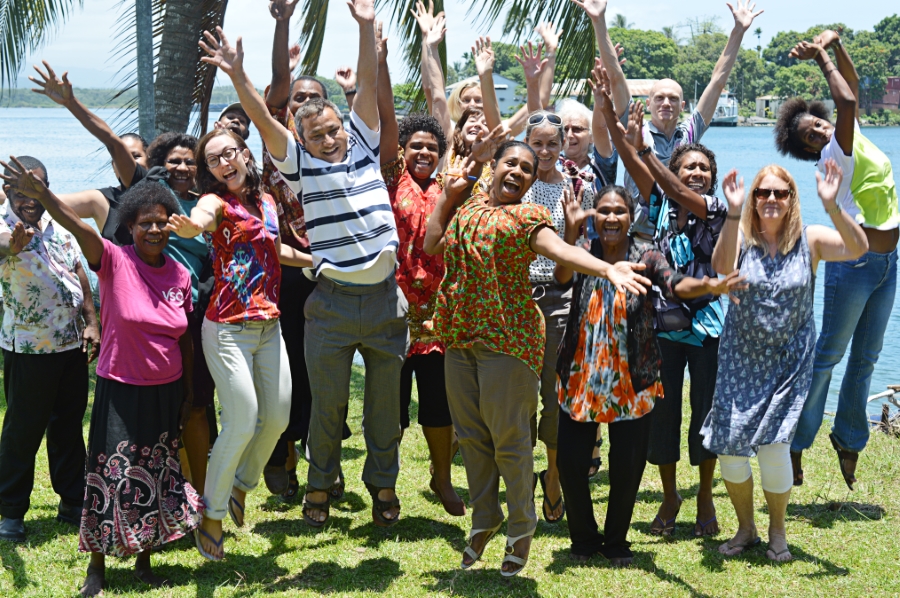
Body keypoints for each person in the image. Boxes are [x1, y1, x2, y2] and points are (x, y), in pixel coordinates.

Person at [199, 0, 408, 530]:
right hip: (334, 302)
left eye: (333, 129)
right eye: (317, 135)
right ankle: (319, 487)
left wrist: (364, 26)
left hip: (386, 299)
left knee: (384, 406)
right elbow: (267, 118)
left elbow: (365, 82)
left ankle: (383, 484)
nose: (329, 138)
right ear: (304, 141)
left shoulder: (362, 141)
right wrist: (237, 74)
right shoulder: (299, 166)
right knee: (326, 407)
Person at [424, 140, 651, 577]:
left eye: (526, 170)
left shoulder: (528, 216)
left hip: (507, 340)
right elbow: (433, 242)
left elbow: (559, 251)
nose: (517, 172)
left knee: (509, 439)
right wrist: (451, 194)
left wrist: (605, 268)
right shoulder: (467, 204)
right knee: (471, 437)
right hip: (459, 336)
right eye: (511, 163)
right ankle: (485, 518)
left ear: (531, 181)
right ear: (494, 166)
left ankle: (521, 525)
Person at [0, 159, 205, 595]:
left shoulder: (180, 274)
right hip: (121, 389)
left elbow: (185, 339)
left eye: (162, 223)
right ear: (129, 227)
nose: (154, 230)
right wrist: (42, 195)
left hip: (166, 391)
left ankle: (144, 559)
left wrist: (188, 394)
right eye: (144, 223)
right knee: (112, 477)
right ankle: (97, 567)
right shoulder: (112, 259)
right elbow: (78, 227)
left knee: (158, 471)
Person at [554, 169, 742, 566]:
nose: (610, 218)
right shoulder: (582, 249)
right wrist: (570, 233)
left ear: (630, 216)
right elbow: (562, 275)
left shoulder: (647, 256)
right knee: (571, 463)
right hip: (580, 374)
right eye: (603, 211)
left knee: (627, 466)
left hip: (631, 379)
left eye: (619, 211)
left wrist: (709, 285)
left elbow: (677, 286)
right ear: (594, 215)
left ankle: (616, 542)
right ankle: (584, 540)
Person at [703, 160, 868, 562]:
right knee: (730, 448)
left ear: (792, 198)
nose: (771, 199)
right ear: (754, 199)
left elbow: (859, 247)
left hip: (788, 362)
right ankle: (746, 529)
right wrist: (732, 211)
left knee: (775, 448)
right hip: (740, 357)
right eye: (763, 193)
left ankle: (777, 532)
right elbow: (720, 270)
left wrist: (831, 204)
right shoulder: (740, 237)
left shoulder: (810, 239)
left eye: (780, 192)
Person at [166, 129, 311, 560]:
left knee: (278, 417)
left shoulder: (265, 200)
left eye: (229, 153)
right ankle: (211, 514)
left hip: (269, 325)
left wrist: (317, 262)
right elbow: (203, 218)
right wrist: (194, 225)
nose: (224, 163)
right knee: (243, 419)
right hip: (226, 327)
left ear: (244, 154)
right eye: (213, 160)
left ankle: (241, 487)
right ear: (207, 170)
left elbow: (274, 248)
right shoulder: (216, 203)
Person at [601, 89, 728, 537]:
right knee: (664, 415)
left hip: (708, 327)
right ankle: (671, 494)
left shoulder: (718, 211)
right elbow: (639, 170)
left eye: (703, 168)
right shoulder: (659, 206)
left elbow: (663, 180)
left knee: (706, 415)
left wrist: (647, 152)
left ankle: (706, 495)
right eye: (688, 166)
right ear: (675, 172)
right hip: (662, 327)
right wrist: (616, 125)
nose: (696, 173)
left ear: (711, 179)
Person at [777, 32, 899, 491]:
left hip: (887, 265)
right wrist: (822, 56)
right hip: (854, 265)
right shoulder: (835, 154)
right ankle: (795, 442)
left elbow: (849, 90)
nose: (821, 130)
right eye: (811, 133)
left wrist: (839, 44)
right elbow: (845, 102)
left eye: (819, 124)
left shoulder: (851, 135)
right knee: (828, 354)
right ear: (810, 148)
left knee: (866, 358)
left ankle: (848, 440)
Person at [260, 0, 351, 500]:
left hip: (336, 270)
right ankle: (282, 455)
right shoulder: (280, 152)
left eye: (316, 99)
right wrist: (283, 23)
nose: (304, 106)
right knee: (289, 365)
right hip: (289, 273)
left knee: (329, 371)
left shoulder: (342, 152)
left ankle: (327, 462)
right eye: (298, 100)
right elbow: (274, 87)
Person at [374, 29, 464, 516]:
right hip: (393, 307)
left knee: (437, 403)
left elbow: (439, 100)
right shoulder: (392, 177)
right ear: (404, 150)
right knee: (389, 406)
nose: (425, 152)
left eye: (433, 146)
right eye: (417, 146)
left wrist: (431, 47)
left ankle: (441, 478)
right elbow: (388, 117)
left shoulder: (450, 183)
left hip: (439, 313)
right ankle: (384, 486)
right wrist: (382, 60)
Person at [0, 157, 99, 543]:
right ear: (8, 191)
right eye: (21, 190)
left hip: (71, 344)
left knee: (68, 427)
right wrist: (13, 246)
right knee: (22, 432)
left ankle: (73, 501)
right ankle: (10, 513)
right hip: (29, 348)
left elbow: (78, 271)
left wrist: (91, 321)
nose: (30, 198)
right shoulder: (5, 225)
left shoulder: (57, 222)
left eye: (36, 188)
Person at [586, 0, 762, 212]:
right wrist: (599, 21)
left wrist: (738, 31)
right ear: (648, 104)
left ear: (683, 106)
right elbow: (615, 77)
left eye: (673, 99)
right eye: (659, 98)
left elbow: (717, 82)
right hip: (641, 232)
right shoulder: (636, 128)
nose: (666, 103)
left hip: (678, 229)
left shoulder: (688, 135)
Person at [521, 108, 596, 524]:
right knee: (517, 395)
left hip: (559, 297)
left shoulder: (576, 185)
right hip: (514, 298)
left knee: (554, 397)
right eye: (538, 143)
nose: (546, 150)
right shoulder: (512, 181)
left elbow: (576, 249)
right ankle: (517, 478)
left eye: (554, 142)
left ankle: (552, 477)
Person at [28, 61, 148, 245]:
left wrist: (71, 103)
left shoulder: (163, 190)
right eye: (120, 158)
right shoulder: (102, 201)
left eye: (136, 156)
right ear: (113, 166)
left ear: (150, 160)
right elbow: (44, 199)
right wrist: (12, 191)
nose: (128, 162)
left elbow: (111, 141)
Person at [411, 0, 558, 140]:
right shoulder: (448, 131)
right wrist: (427, 38)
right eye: (466, 100)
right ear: (457, 104)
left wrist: (550, 52)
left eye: (478, 100)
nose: (472, 104)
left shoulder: (501, 130)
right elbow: (430, 89)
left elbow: (541, 99)